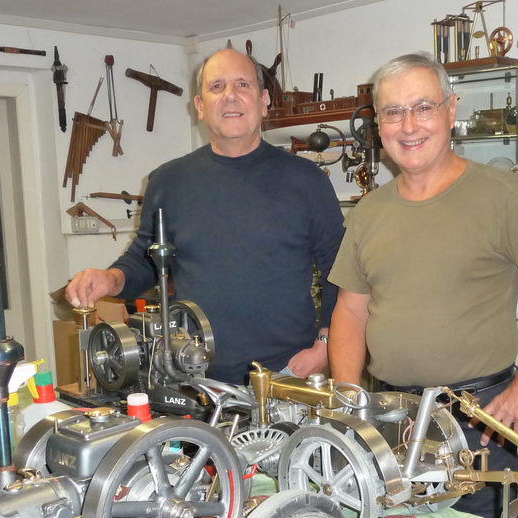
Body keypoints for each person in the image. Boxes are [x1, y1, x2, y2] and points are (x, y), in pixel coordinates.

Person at [328, 52, 518, 518]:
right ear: (378, 126)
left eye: (423, 107)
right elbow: (350, 312)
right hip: (391, 418)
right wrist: (350, 405)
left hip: (475, 422)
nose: (408, 125)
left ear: (451, 110)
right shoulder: (368, 212)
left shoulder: (501, 196)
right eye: (393, 112)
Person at [66, 48, 344, 385]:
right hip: (192, 377)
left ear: (264, 101)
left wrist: (325, 345)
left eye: (243, 84)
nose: (230, 96)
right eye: (217, 87)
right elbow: (148, 259)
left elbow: (340, 271)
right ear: (199, 105)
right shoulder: (168, 181)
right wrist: (111, 278)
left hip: (286, 375)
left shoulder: (306, 180)